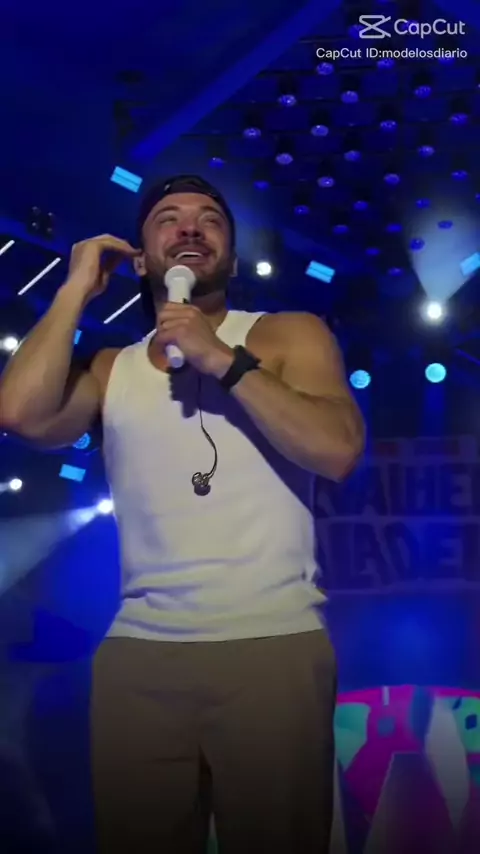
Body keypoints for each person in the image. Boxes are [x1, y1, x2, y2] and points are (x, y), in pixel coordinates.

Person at [0, 175, 364, 853]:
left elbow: (337, 451)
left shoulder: (287, 334)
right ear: (141, 259)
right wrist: (75, 287)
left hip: (271, 642)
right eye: (168, 218)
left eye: (210, 219)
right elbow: (20, 413)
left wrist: (220, 358)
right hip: (139, 655)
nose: (190, 227)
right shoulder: (110, 368)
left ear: (232, 255)